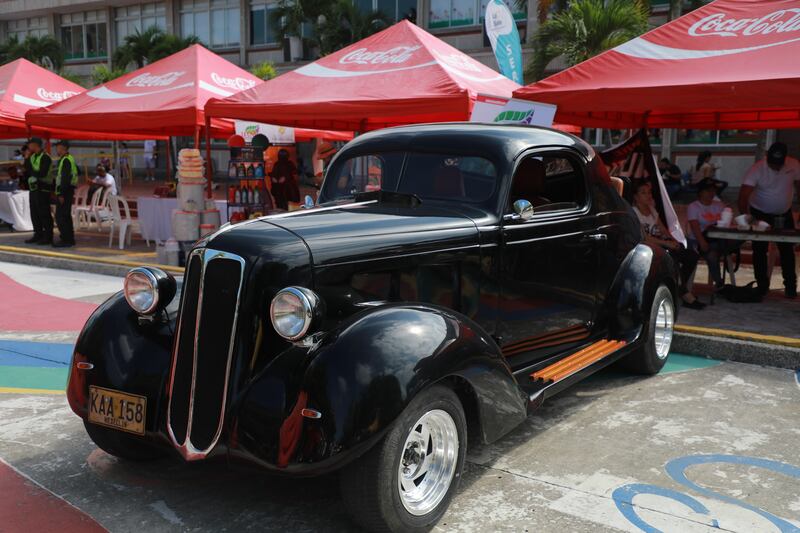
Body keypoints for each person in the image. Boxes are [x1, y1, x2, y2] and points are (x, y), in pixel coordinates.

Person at [738, 142, 800, 298]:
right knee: (759, 249)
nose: (776, 168)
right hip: (760, 213)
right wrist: (749, 218)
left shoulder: (794, 164)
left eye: (779, 165)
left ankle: (791, 287)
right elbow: (743, 196)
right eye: (773, 165)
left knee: (787, 249)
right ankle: (762, 285)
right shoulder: (757, 169)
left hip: (783, 213)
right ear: (767, 158)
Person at [631, 180, 705, 309]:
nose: (648, 195)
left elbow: (664, 230)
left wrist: (673, 241)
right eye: (643, 193)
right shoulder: (634, 212)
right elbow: (644, 237)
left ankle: (679, 288)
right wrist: (666, 243)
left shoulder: (652, 210)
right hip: (646, 246)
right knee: (671, 258)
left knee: (691, 255)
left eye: (649, 193)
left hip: (660, 243)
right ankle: (685, 294)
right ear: (635, 196)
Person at [687, 179, 738, 289]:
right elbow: (695, 227)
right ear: (700, 192)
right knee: (711, 254)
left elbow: (729, 223)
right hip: (699, 240)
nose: (711, 193)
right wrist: (702, 242)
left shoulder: (719, 205)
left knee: (733, 242)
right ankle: (719, 284)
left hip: (718, 240)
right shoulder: (694, 207)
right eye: (708, 191)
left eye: (713, 191)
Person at [23, 137, 55, 245]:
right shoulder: (32, 157)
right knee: (34, 213)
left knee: (44, 213)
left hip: (43, 188)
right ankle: (38, 234)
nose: (28, 147)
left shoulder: (45, 157)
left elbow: (41, 173)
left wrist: (31, 171)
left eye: (30, 144)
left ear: (35, 145)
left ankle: (48, 236)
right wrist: (27, 159)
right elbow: (27, 170)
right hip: (34, 189)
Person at [53, 140, 78, 248]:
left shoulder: (66, 160)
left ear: (63, 148)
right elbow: (78, 171)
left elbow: (65, 178)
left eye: (58, 148)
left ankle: (66, 239)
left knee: (61, 216)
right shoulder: (69, 158)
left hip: (65, 191)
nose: (56, 150)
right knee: (65, 216)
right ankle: (69, 239)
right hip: (68, 190)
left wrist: (61, 194)